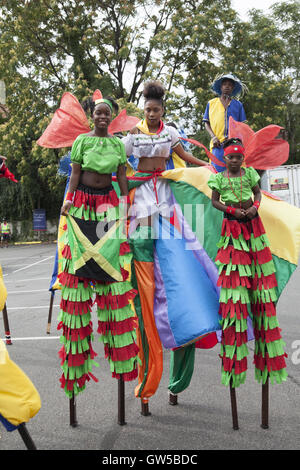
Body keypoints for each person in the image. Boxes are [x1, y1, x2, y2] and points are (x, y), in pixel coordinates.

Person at [122, 81, 221, 415]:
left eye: (156, 110)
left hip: (166, 199)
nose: (152, 114)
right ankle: (146, 375)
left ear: (162, 111)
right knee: (144, 279)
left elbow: (184, 156)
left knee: (182, 270)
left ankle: (177, 375)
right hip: (140, 203)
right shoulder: (132, 136)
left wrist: (209, 166)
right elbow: (115, 162)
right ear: (143, 109)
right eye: (148, 110)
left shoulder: (170, 133)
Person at [58, 96, 140, 419]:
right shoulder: (81, 142)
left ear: (112, 117)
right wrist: (67, 201)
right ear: (92, 117)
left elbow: (121, 179)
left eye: (107, 113)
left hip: (108, 209)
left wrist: (127, 204)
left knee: (114, 289)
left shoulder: (119, 146)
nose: (102, 117)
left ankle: (121, 371)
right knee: (76, 291)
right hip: (82, 208)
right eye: (98, 113)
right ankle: (75, 382)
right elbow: (75, 175)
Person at [207, 138, 287, 388]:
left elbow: (257, 193)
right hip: (232, 229)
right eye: (230, 157)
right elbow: (214, 201)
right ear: (225, 159)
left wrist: (255, 207)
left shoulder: (250, 174)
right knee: (235, 287)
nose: (234, 160)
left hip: (253, 228)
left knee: (259, 287)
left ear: (243, 159)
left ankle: (266, 360)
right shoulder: (219, 178)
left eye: (238, 157)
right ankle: (234, 363)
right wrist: (231, 211)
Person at [203, 73, 247, 172]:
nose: (227, 86)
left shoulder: (238, 105)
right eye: (225, 84)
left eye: (230, 85)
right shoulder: (211, 103)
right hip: (217, 145)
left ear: (233, 88)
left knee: (235, 173)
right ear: (220, 87)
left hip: (233, 145)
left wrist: (234, 137)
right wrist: (213, 137)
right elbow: (206, 123)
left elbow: (242, 126)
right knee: (216, 173)